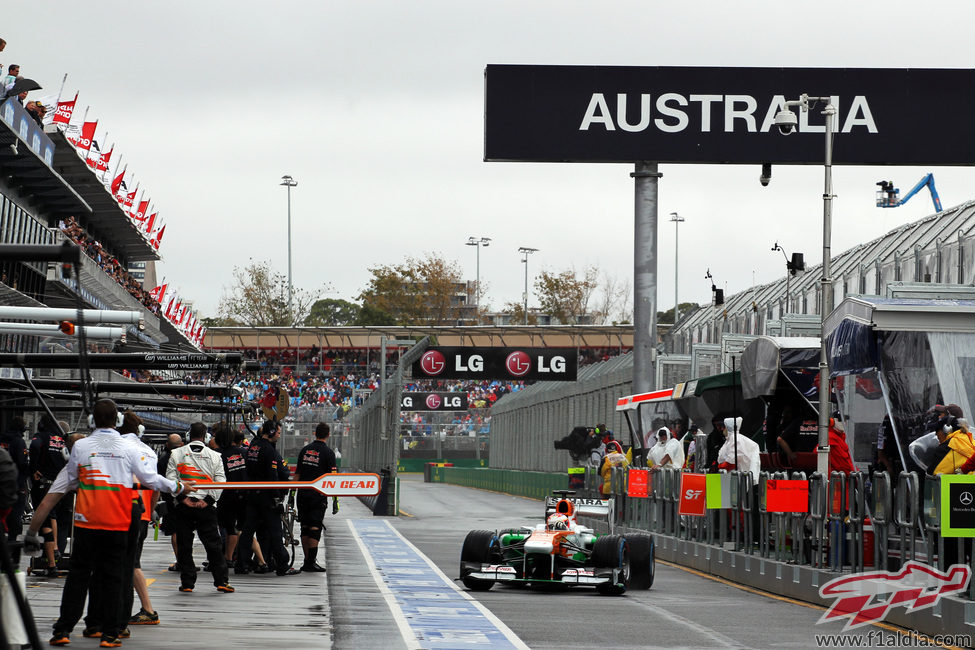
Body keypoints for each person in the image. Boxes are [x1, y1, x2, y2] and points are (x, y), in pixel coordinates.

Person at [23, 399, 195, 648]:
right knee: (115, 578)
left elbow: (54, 494)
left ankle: (62, 630)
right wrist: (180, 487)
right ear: (119, 421)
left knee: (78, 578)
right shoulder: (129, 449)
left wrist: (31, 531)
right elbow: (151, 479)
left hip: (86, 525)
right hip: (118, 523)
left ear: (92, 421)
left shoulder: (81, 447)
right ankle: (110, 634)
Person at [167, 422, 234, 593]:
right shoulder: (214, 455)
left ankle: (187, 583)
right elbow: (221, 481)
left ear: (189, 435)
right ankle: (221, 581)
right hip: (206, 506)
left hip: (184, 506)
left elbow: (170, 479)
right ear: (206, 436)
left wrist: (183, 499)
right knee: (214, 545)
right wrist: (209, 501)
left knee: (184, 545)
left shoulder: (176, 453)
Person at [236, 420, 301, 577]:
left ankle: (241, 564)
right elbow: (273, 477)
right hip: (267, 497)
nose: (279, 435)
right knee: (275, 532)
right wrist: (277, 498)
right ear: (271, 432)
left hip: (252, 494)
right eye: (278, 432)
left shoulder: (253, 445)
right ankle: (282, 565)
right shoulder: (268, 450)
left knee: (247, 531)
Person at [118, 412, 160, 627]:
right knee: (133, 563)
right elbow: (155, 488)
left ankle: (146, 609)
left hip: (122, 512)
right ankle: (146, 609)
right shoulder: (149, 451)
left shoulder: (120, 448)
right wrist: (150, 511)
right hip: (141, 513)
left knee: (129, 564)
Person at [295, 423, 336, 572]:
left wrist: (293, 495)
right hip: (317, 495)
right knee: (314, 527)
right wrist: (335, 500)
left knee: (304, 527)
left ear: (315, 433)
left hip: (302, 493)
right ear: (328, 434)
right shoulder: (328, 453)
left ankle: (307, 561)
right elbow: (333, 478)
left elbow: (297, 475)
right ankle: (311, 562)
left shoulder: (305, 450)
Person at [28, 414, 66, 576]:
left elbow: (35, 447)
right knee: (52, 516)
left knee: (44, 521)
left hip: (43, 483)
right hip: (58, 484)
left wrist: (34, 468)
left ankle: (51, 564)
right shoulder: (61, 439)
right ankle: (55, 548)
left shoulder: (40, 437)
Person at [213, 422, 247, 571]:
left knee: (226, 527)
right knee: (238, 528)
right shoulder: (243, 452)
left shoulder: (219, 455)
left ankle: (226, 557)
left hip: (225, 495)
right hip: (244, 493)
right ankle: (232, 557)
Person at [0, 416, 29, 563]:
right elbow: (23, 463)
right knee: (16, 516)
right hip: (16, 484)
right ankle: (13, 547)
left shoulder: (2, 440)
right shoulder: (19, 441)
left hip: (2, 485)